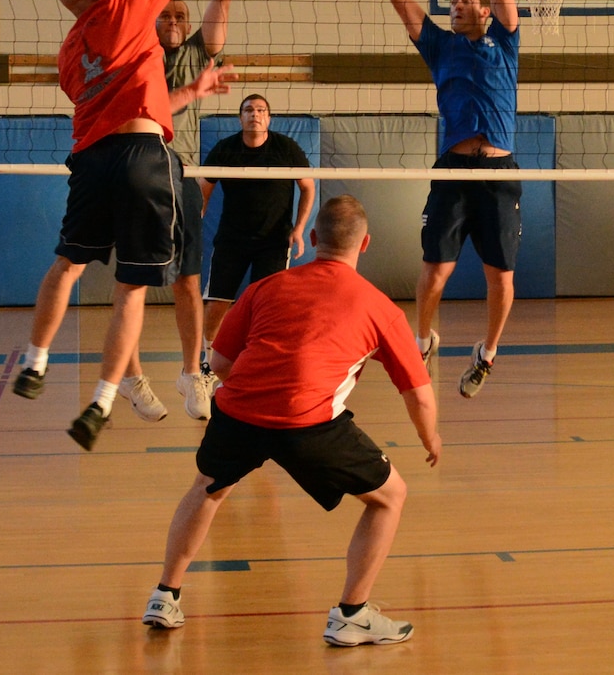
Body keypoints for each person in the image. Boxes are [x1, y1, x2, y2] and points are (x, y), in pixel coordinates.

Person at [10, 0, 230, 452]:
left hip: (90, 157)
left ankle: (36, 360)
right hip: (142, 156)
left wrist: (186, 93)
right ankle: (105, 399)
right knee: (132, 286)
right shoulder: (129, 4)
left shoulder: (69, 51)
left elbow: (116, 96)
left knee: (69, 264)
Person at [141, 196, 441, 646]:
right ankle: (352, 615)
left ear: (314, 239)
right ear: (365, 246)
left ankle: (165, 595)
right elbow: (418, 393)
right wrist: (430, 437)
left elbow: (220, 361)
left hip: (238, 411)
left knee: (209, 487)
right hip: (310, 424)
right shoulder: (382, 308)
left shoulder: (265, 287)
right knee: (390, 496)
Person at [360, 0, 521, 399]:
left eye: (465, 0)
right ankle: (424, 336)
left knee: (501, 278)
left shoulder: (506, 38)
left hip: (498, 173)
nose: (456, 5)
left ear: (484, 10)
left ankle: (487, 353)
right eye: (451, 1)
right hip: (453, 169)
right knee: (434, 274)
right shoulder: (437, 44)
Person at [156, 0, 255, 421]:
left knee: (186, 278)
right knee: (124, 278)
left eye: (180, 17)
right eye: (165, 16)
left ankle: (192, 370)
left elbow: (223, 1)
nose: (173, 23)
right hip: (130, 165)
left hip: (181, 168)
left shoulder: (198, 54)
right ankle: (123, 377)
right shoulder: (134, 50)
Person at [200, 92, 316, 333]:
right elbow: (204, 190)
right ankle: (206, 360)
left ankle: (259, 357)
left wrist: (299, 229)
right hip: (232, 239)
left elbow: (308, 188)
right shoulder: (225, 149)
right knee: (217, 303)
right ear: (240, 118)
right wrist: (194, 222)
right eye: (249, 110)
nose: (255, 114)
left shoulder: (286, 148)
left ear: (269, 118)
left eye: (261, 110)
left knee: (268, 304)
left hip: (273, 241)